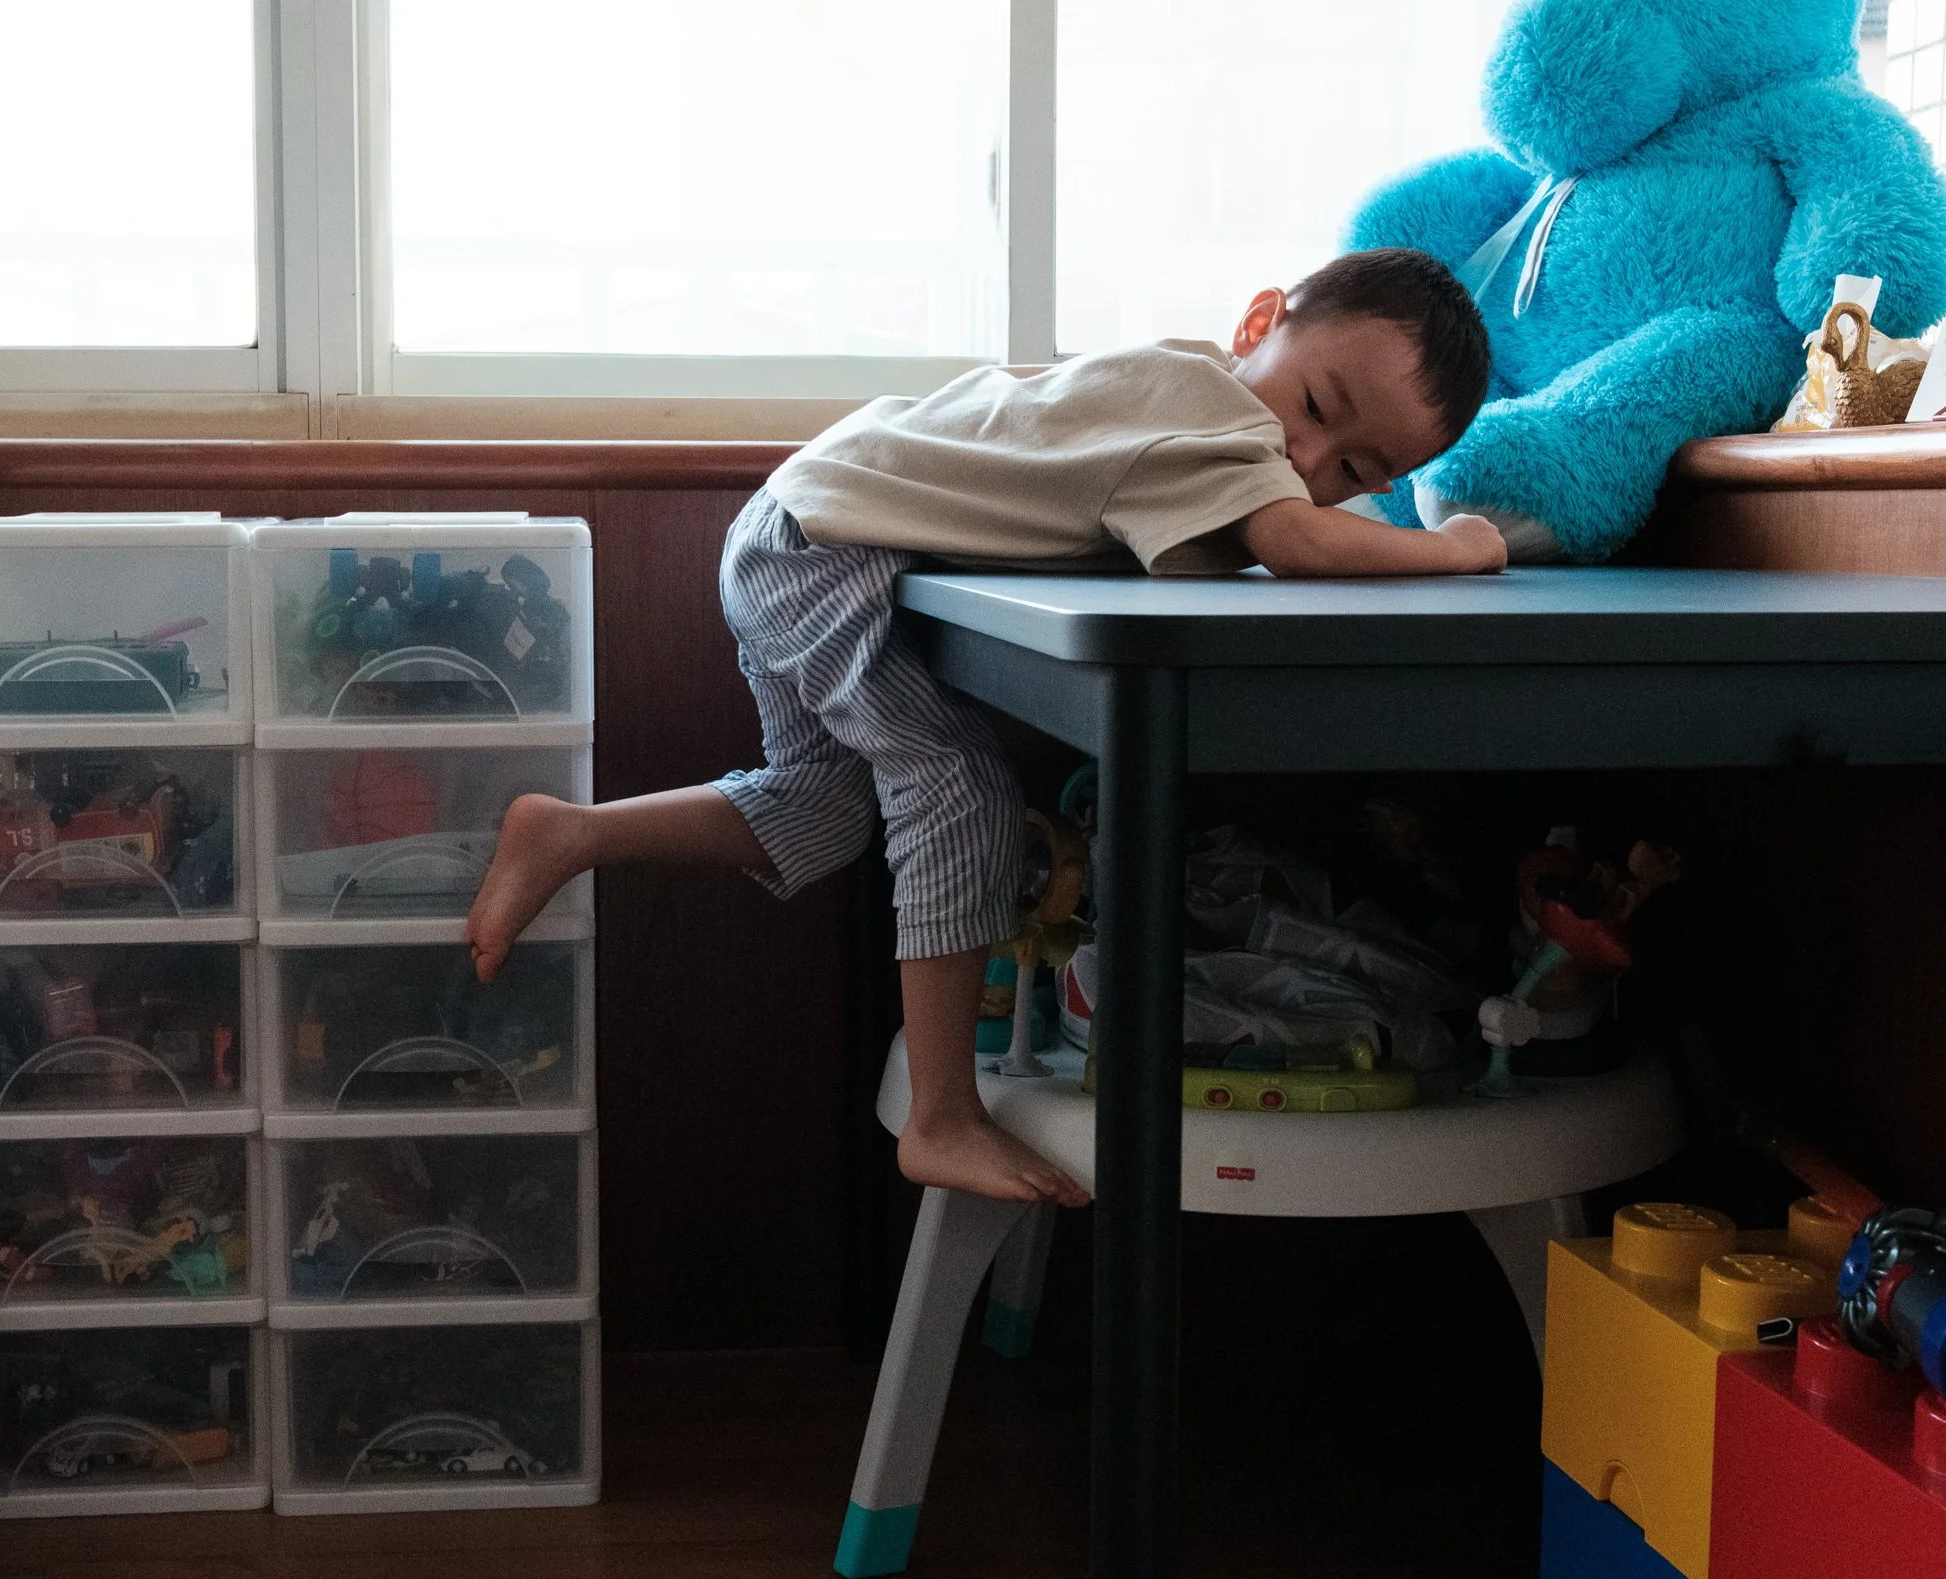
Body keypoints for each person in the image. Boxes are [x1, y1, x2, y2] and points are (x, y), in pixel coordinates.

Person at [467, 247, 1499, 1207]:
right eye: (1315, 406)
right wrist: (1454, 548)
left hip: (809, 530)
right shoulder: (1210, 411)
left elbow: (1285, 527)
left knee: (823, 813)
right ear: (1258, 323)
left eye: (1358, 473)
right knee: (956, 791)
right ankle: (942, 1117)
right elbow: (1297, 544)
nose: (1307, 455)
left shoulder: (1191, 400)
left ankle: (570, 833)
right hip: (825, 548)